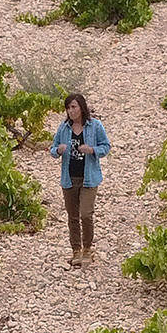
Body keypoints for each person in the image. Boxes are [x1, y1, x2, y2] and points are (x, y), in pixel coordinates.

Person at [51, 93, 110, 264]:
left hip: (89, 178)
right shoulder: (63, 128)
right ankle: (76, 250)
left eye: (74, 107)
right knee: (72, 216)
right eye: (68, 108)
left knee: (86, 214)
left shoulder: (95, 126)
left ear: (81, 108)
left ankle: (88, 248)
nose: (71, 111)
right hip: (69, 178)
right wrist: (58, 151)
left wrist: (92, 150)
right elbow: (53, 149)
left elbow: (106, 146)